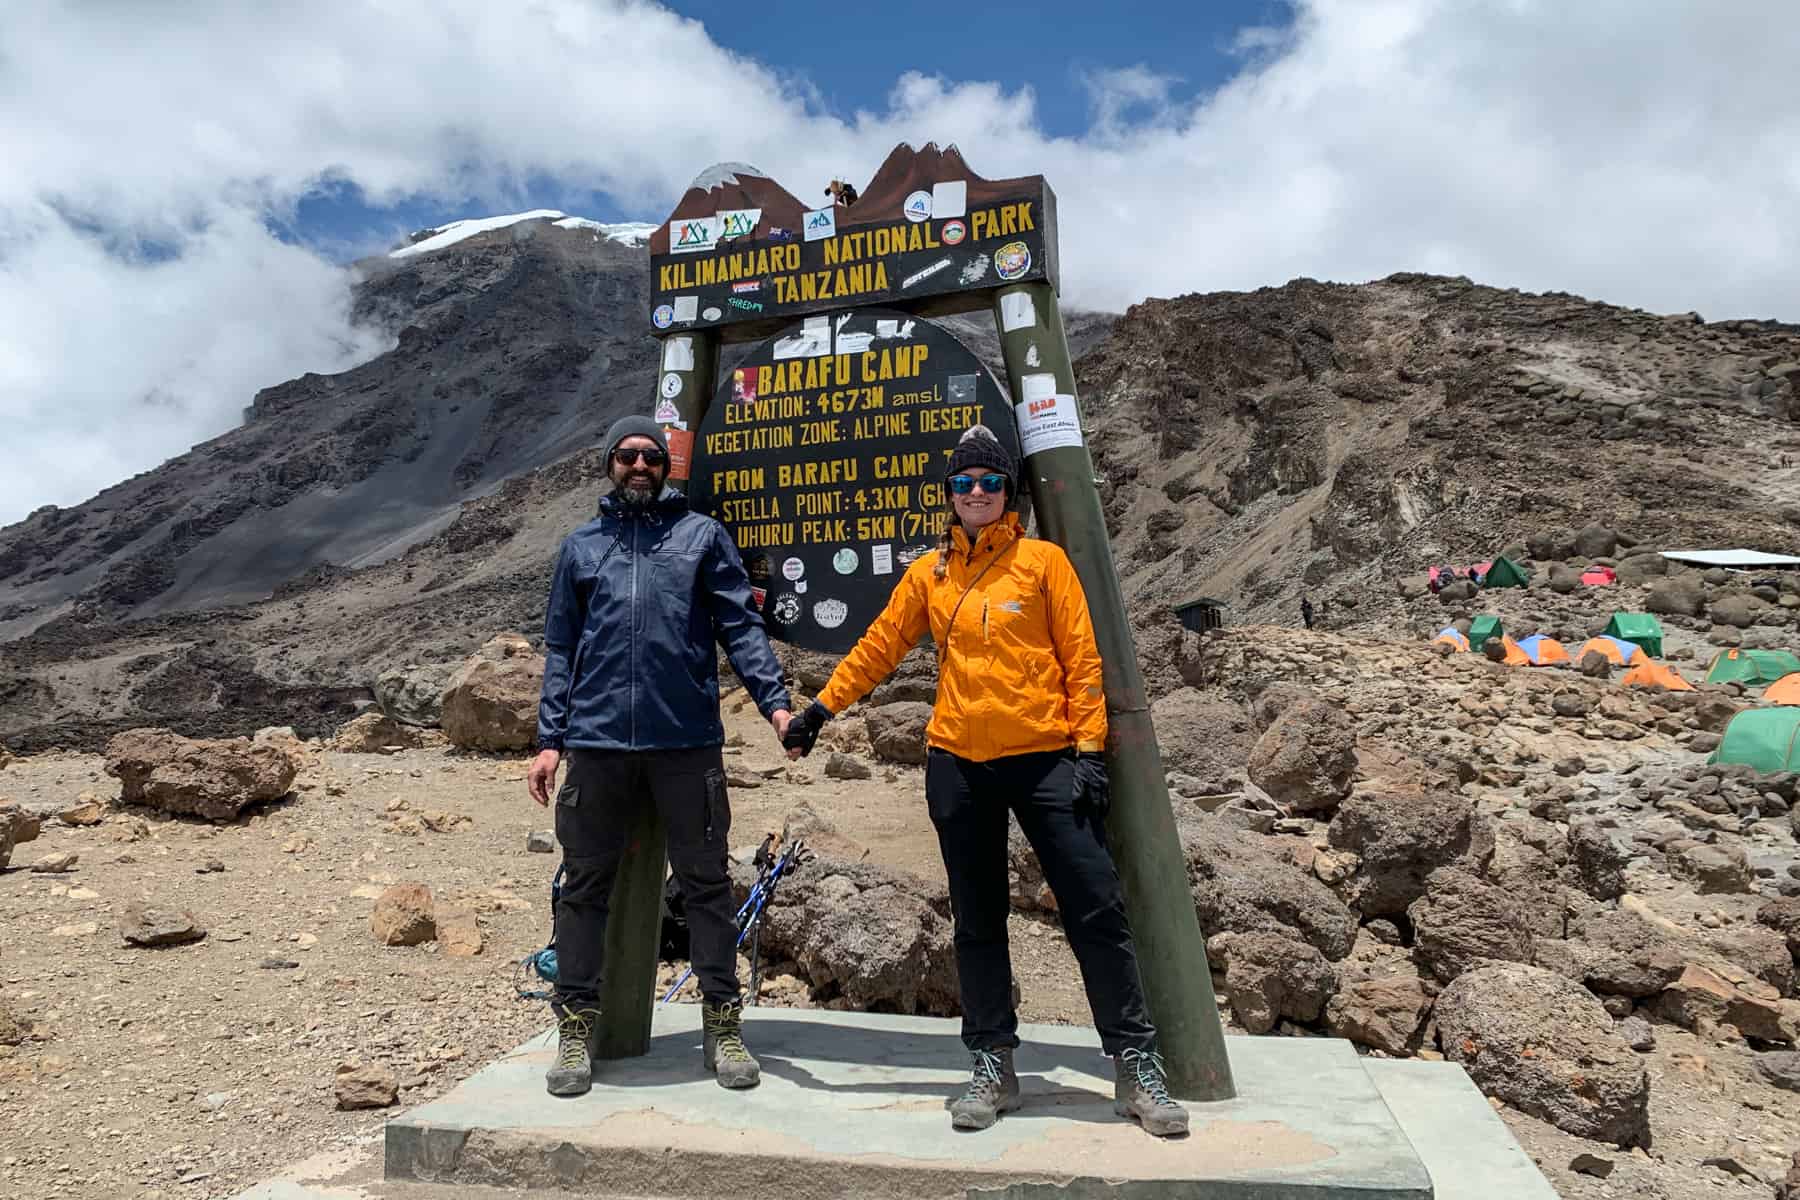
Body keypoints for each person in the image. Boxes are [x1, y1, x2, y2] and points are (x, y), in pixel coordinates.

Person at [781, 426, 1189, 1139]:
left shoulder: (1043, 563)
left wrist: (1090, 751)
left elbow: (1081, 659)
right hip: (958, 764)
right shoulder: (930, 573)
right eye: (964, 482)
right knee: (977, 919)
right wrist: (822, 707)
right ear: (948, 495)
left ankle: (1134, 1063)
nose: (976, 493)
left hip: (1046, 760)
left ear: (1009, 494)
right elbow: (880, 645)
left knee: (1095, 906)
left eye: (989, 482)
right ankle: (993, 1062)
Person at [528, 415, 794, 1097]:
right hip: (597, 742)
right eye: (627, 455)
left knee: (706, 885)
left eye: (652, 456)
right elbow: (562, 648)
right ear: (609, 464)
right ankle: (576, 1031)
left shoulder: (700, 537)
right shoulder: (581, 547)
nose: (640, 465)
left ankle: (723, 1026)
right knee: (583, 888)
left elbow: (740, 626)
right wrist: (550, 739)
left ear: (667, 466)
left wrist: (775, 706)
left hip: (687, 743)